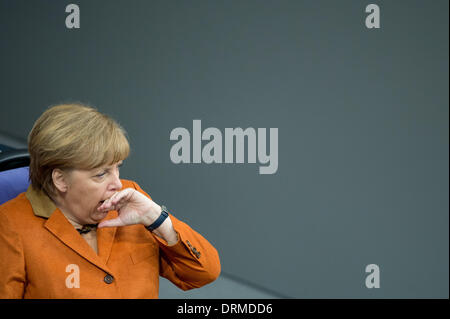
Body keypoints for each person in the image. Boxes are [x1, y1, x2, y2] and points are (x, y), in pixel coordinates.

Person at [0, 103, 221, 298]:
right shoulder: (11, 225)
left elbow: (203, 274)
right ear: (60, 179)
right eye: (101, 174)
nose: (117, 183)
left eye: (118, 168)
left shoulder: (130, 198)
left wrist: (158, 220)